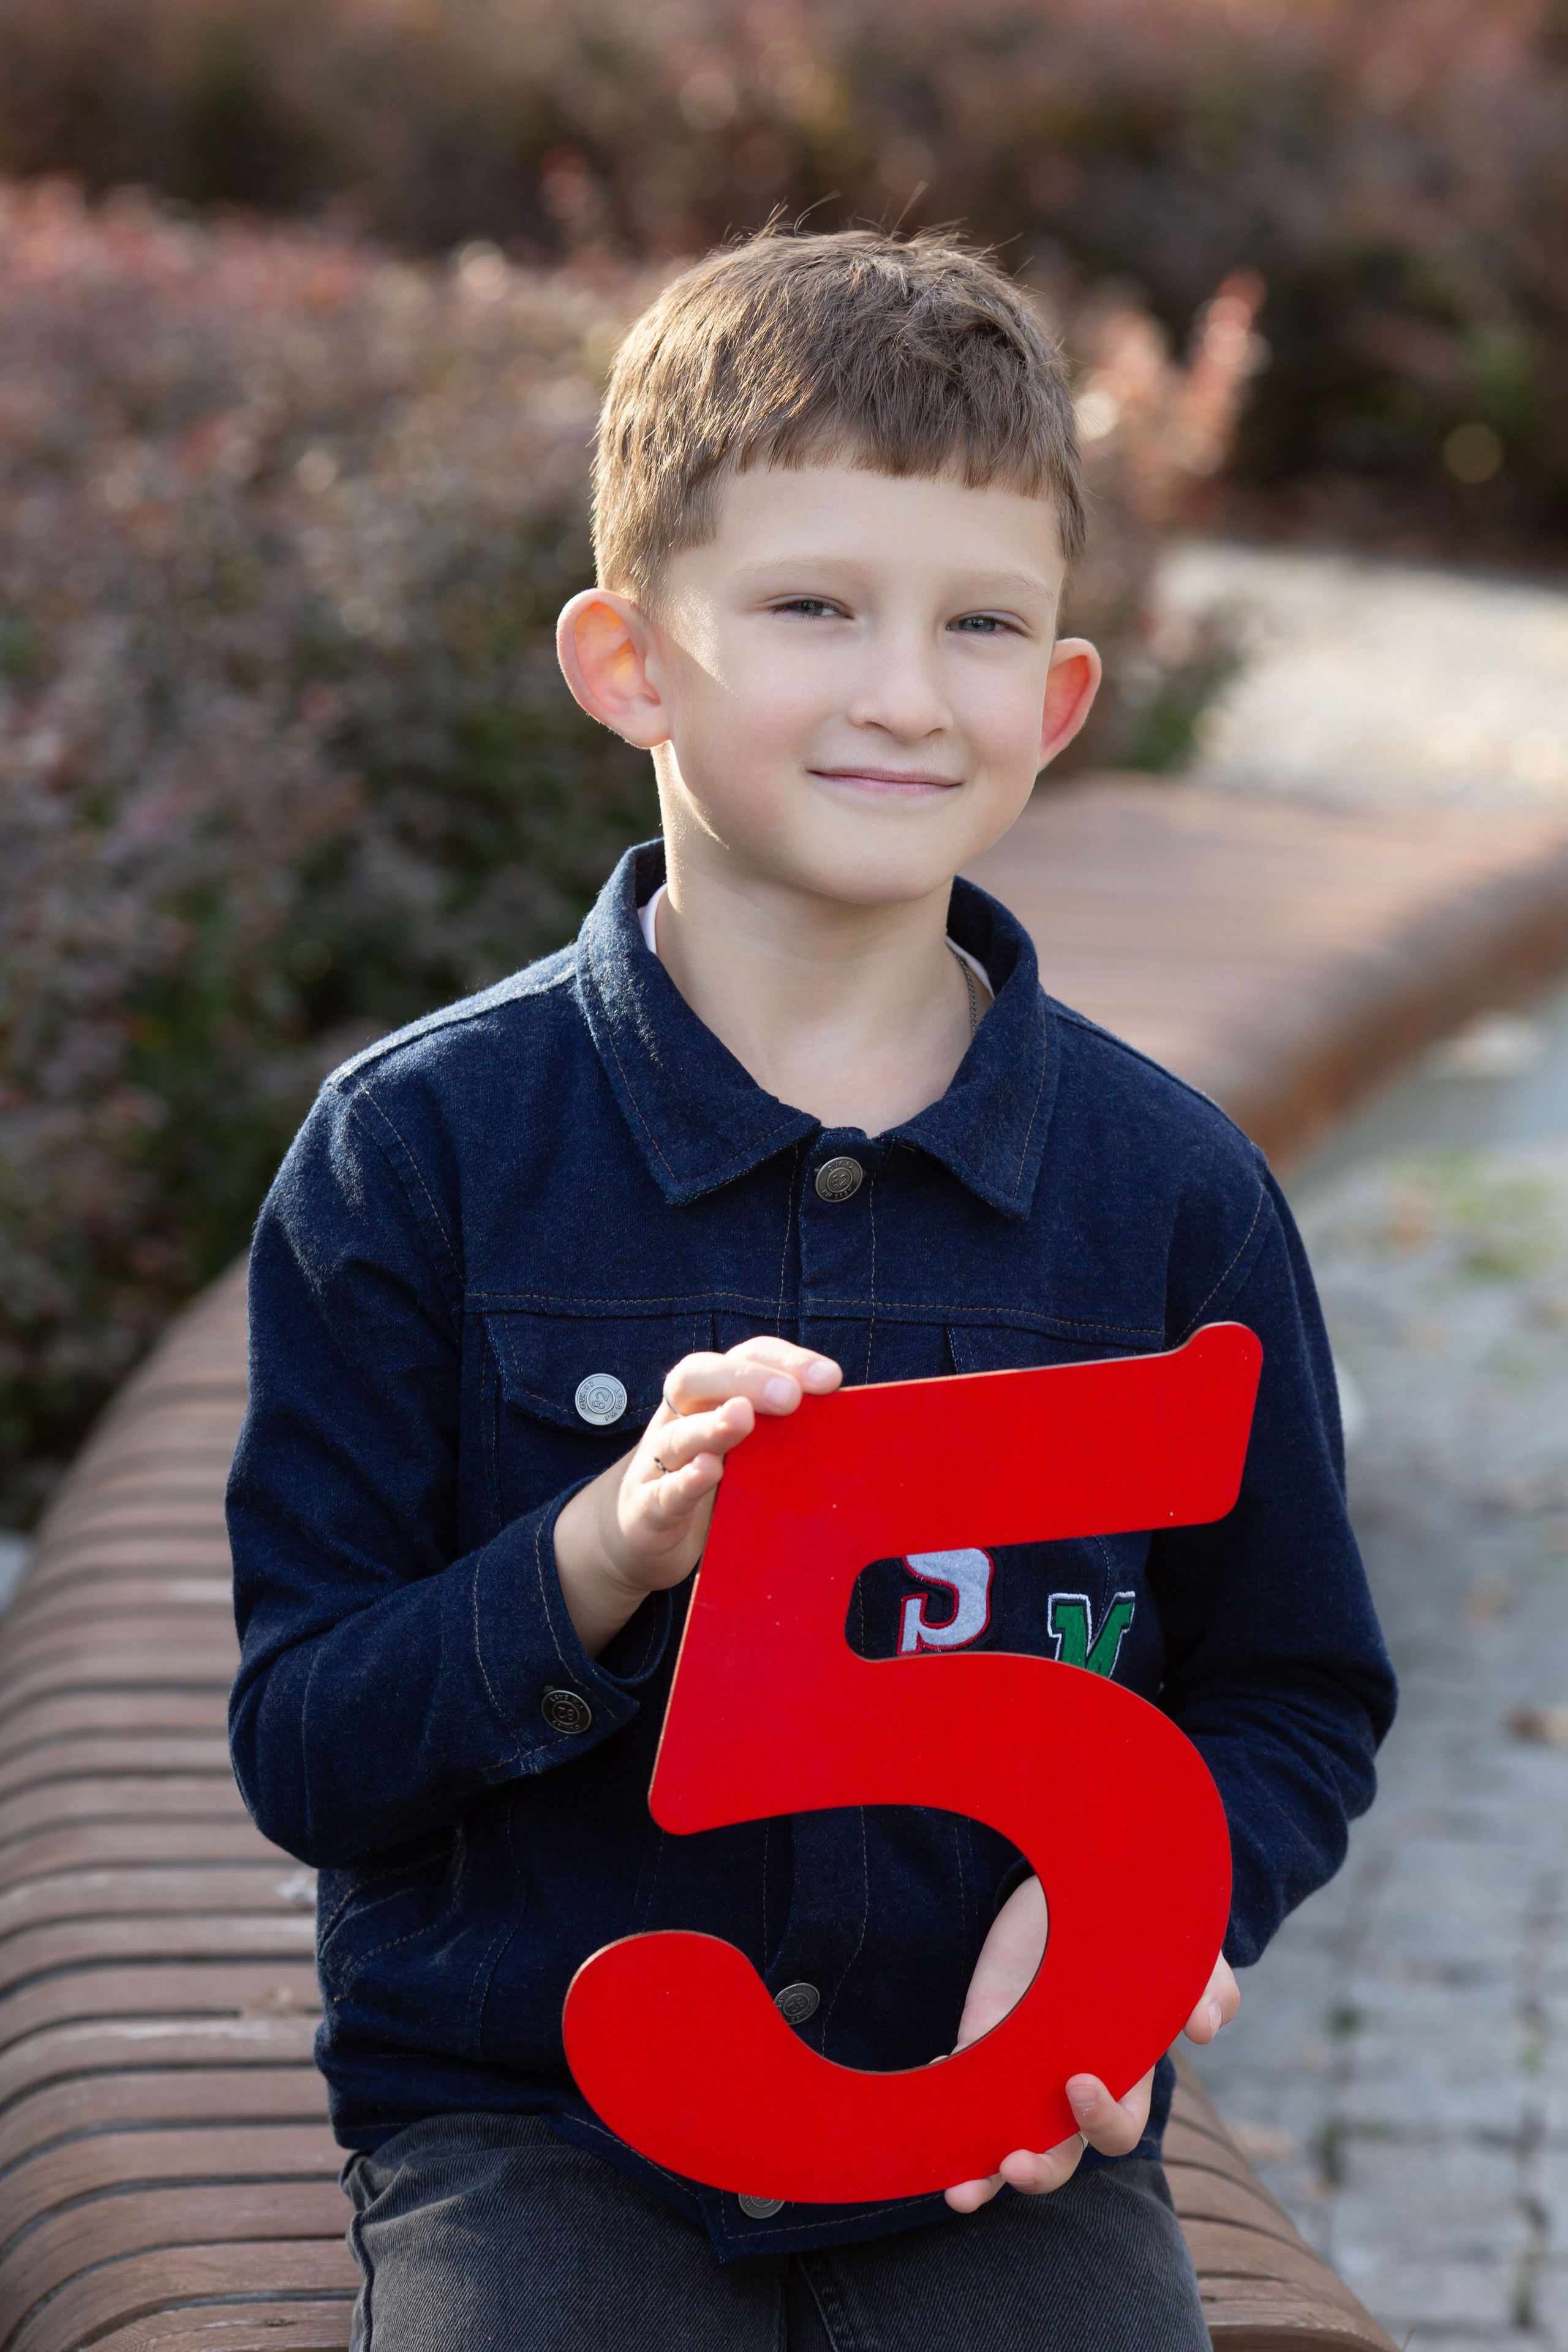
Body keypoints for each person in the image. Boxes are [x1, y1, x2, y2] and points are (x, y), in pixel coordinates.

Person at [227, 228, 1395, 2350]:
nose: (904, 693)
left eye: (981, 625)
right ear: (629, 664)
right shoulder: (421, 1156)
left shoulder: (1171, 1200)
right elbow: (310, 1748)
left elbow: (1295, 1687)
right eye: (811, 607)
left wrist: (1143, 1909)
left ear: (1059, 702)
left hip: (992, 2116)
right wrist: (599, 1555)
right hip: (540, 2122)